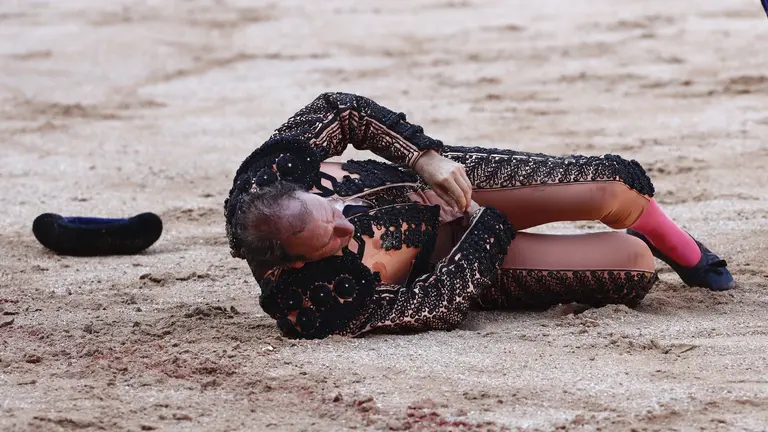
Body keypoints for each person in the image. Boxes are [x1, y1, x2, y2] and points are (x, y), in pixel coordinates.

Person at [224, 92, 734, 339]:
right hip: (464, 256)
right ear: (297, 263)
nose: (346, 221)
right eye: (334, 238)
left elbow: (341, 109)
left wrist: (424, 157)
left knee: (611, 186)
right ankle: (651, 245)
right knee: (631, 264)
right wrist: (481, 223)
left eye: (332, 206)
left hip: (439, 180)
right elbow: (433, 304)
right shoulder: (305, 303)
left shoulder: (269, 173)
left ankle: (680, 245)